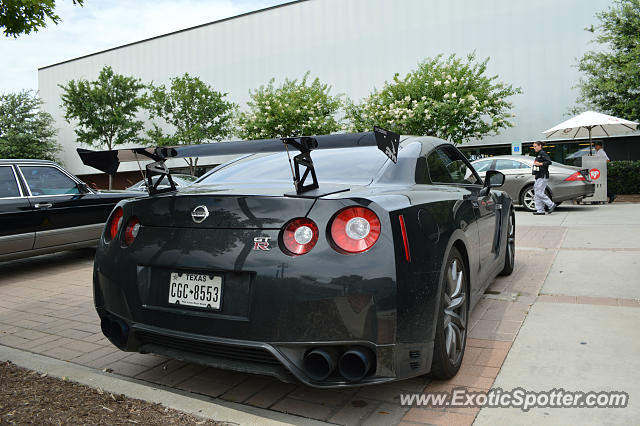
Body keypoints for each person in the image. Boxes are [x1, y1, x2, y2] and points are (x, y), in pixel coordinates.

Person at [531, 141, 556, 215]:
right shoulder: (539, 154)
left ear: (540, 146)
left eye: (535, 146)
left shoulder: (543, 153)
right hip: (538, 176)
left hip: (543, 175)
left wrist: (540, 164)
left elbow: (549, 162)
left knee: (539, 192)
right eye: (533, 146)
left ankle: (551, 204)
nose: (534, 148)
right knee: (536, 192)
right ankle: (540, 210)